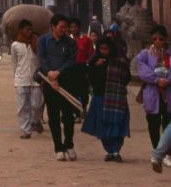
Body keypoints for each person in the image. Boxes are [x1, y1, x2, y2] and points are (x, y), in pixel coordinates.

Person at [136, 24, 171, 168]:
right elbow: (142, 70)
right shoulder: (145, 54)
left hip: (170, 94)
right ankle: (157, 151)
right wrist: (156, 80)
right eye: (155, 39)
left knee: (169, 125)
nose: (158, 41)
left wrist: (169, 80)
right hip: (152, 94)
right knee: (153, 124)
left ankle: (168, 154)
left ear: (165, 39)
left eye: (161, 39)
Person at [81, 30, 131, 161]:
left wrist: (116, 86)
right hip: (100, 97)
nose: (104, 51)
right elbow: (90, 78)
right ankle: (109, 151)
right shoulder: (94, 61)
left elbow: (127, 77)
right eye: (101, 48)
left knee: (117, 125)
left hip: (116, 98)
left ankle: (116, 151)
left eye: (106, 48)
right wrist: (96, 67)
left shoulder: (120, 61)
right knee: (103, 125)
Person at [38, 13, 81, 161]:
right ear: (53, 27)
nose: (64, 30)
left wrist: (58, 73)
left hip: (67, 82)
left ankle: (69, 144)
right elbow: (42, 60)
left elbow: (71, 61)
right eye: (61, 27)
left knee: (68, 116)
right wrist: (50, 74)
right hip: (49, 83)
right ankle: (58, 147)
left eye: (66, 27)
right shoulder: (43, 41)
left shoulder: (70, 43)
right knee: (53, 116)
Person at [11, 19, 42, 138]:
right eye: (27, 29)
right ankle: (26, 130)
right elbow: (14, 63)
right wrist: (16, 77)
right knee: (23, 106)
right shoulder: (15, 45)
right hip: (21, 78)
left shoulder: (38, 43)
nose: (29, 32)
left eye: (31, 29)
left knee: (37, 104)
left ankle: (36, 121)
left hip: (36, 78)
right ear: (21, 30)